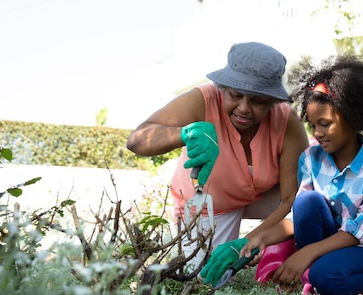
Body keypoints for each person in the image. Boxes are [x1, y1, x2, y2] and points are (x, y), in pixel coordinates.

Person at [201, 55, 363, 295]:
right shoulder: (311, 158)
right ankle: (311, 277)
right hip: (331, 243)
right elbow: (297, 218)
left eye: (325, 124)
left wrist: (306, 254)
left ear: (353, 117)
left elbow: (362, 229)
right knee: (306, 201)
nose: (316, 133)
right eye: (313, 124)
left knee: (325, 277)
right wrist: (261, 239)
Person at [126, 41, 309, 261]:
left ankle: (291, 254)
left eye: (258, 101)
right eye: (236, 95)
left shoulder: (286, 121)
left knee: (311, 203)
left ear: (272, 101)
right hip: (210, 204)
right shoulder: (202, 100)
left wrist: (249, 242)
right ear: (223, 89)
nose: (243, 108)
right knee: (203, 276)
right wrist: (183, 134)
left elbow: (291, 199)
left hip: (265, 197)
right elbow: (137, 139)